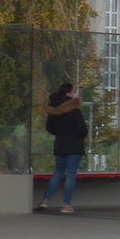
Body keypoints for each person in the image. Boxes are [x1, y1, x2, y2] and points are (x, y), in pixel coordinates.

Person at [39, 82, 87, 213]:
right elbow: (82, 129)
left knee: (57, 173)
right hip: (74, 145)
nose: (74, 94)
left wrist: (60, 133)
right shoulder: (74, 109)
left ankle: (45, 201)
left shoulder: (53, 109)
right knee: (71, 174)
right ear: (68, 93)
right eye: (73, 91)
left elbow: (49, 128)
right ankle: (66, 205)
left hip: (59, 144)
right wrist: (79, 135)